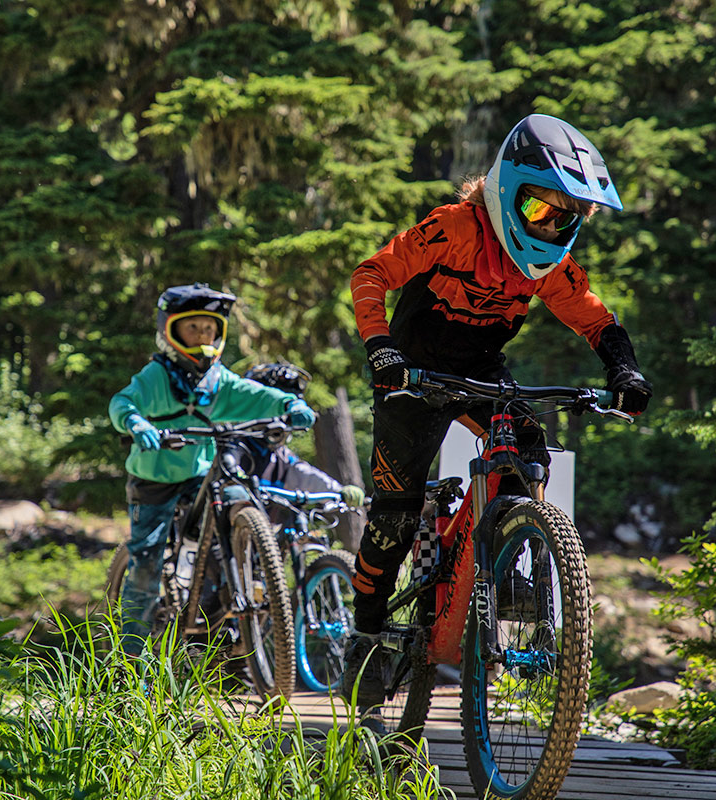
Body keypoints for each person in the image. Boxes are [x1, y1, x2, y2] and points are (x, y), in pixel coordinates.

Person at [341, 114, 652, 710]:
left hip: (480, 372)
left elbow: (596, 317)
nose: (551, 225)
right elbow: (372, 273)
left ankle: (510, 557)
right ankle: (367, 631)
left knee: (529, 449)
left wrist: (624, 371)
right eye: (540, 211)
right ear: (506, 190)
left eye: (567, 218)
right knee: (394, 517)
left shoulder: (549, 265)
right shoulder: (455, 227)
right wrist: (380, 347)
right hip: (410, 374)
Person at [108, 283, 317, 652]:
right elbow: (124, 401)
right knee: (147, 561)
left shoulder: (218, 380)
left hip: (199, 477)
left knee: (236, 498)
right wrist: (136, 423)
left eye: (209, 329)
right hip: (154, 481)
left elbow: (256, 395)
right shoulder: (156, 377)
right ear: (169, 331)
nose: (203, 337)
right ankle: (129, 659)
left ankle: (226, 605)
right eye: (193, 328)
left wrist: (288, 404)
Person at [241, 362, 367, 516]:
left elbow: (307, 477)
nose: (281, 419)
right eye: (275, 407)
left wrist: (340, 491)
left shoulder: (281, 458)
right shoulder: (231, 447)